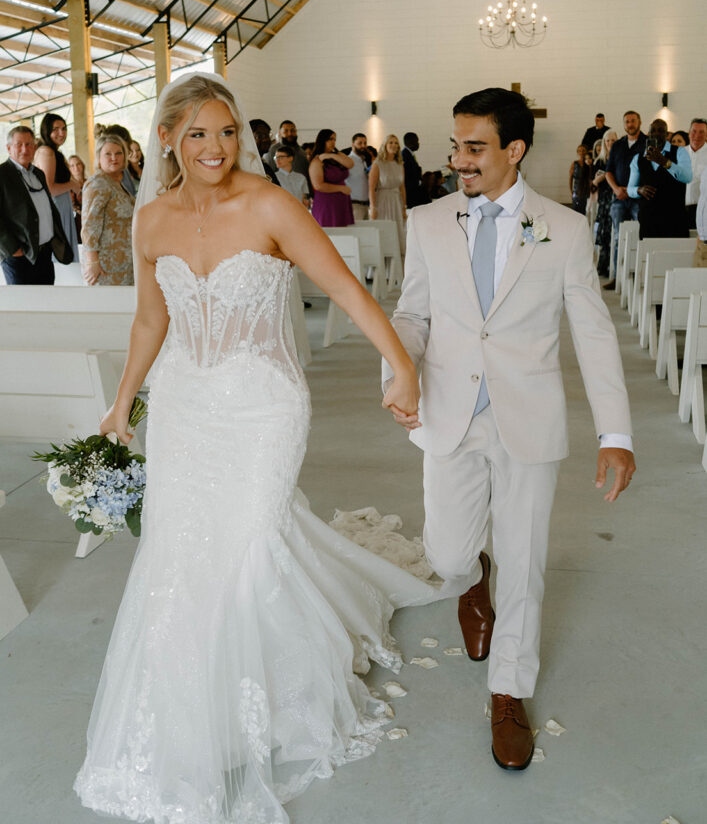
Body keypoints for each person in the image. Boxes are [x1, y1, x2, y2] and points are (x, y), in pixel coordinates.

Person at [74, 72, 437, 824]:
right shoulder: (151, 222)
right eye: (199, 132)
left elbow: (343, 288)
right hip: (184, 406)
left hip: (263, 406)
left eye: (228, 131)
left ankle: (268, 695)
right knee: (179, 556)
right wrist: (121, 404)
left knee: (248, 545)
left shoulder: (270, 204)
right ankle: (185, 711)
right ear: (168, 137)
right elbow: (150, 322)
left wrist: (399, 362)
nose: (216, 147)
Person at [383, 86, 634, 772]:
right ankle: (471, 580)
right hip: (446, 412)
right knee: (448, 551)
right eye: (455, 145)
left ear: (513, 149)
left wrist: (616, 434)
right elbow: (412, 315)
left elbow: (592, 333)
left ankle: (506, 695)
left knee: (525, 564)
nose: (458, 159)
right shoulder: (429, 221)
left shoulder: (564, 228)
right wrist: (396, 373)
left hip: (527, 419)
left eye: (474, 147)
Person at [0, 126, 72, 284]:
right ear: (8, 147)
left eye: (29, 144)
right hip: (20, 256)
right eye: (19, 144)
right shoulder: (2, 174)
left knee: (46, 303)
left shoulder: (38, 174)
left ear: (34, 147)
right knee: (24, 305)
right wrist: (13, 250)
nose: (25, 149)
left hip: (44, 253)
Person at [81, 133, 136, 285]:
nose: (114, 158)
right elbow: (89, 226)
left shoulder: (116, 182)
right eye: (108, 154)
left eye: (119, 153)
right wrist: (93, 262)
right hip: (105, 267)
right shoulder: (98, 183)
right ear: (99, 158)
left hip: (123, 264)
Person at [602, 110, 647, 289]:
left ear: (640, 122)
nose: (630, 124)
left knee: (639, 237)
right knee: (618, 238)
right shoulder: (618, 145)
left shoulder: (647, 143)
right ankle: (618, 277)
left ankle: (638, 277)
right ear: (624, 124)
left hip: (638, 198)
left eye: (633, 121)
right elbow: (608, 171)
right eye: (627, 121)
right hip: (619, 197)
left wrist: (632, 190)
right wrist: (616, 189)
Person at [627, 118, 691, 239]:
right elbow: (630, 188)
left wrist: (665, 162)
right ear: (648, 134)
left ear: (667, 135)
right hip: (648, 219)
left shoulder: (679, 152)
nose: (656, 134)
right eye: (653, 131)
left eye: (661, 131)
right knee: (648, 257)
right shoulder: (638, 158)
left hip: (674, 218)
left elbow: (688, 177)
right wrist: (639, 190)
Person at [34, 112, 80, 262]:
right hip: (56, 207)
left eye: (64, 128)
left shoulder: (53, 152)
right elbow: (50, 189)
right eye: (56, 129)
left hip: (61, 205)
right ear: (46, 131)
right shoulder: (47, 152)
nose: (61, 133)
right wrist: (73, 185)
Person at [369, 135, 407, 253]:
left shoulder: (399, 164)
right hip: (383, 201)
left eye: (396, 143)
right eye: (390, 142)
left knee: (398, 231)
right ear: (385, 145)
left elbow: (402, 187)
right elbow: (371, 187)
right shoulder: (377, 164)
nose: (394, 145)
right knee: (385, 231)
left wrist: (403, 207)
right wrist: (373, 207)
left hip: (396, 201)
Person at [309, 129, 354, 227]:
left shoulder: (337, 155)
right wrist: (341, 188)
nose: (333, 142)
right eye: (330, 139)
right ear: (323, 140)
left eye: (334, 139)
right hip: (327, 201)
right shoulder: (317, 161)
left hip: (342, 200)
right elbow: (318, 185)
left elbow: (350, 164)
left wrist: (331, 156)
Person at [593, 130, 616, 277]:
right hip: (604, 199)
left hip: (616, 198)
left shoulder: (619, 159)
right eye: (607, 141)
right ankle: (603, 266)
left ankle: (612, 266)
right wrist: (601, 179)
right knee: (604, 232)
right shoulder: (600, 162)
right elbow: (593, 183)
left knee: (612, 233)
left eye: (613, 141)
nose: (610, 144)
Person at [684, 118, 707, 230]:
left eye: (701, 132)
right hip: (682, 209)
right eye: (694, 131)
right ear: (689, 133)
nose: (697, 135)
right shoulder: (680, 153)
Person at [344, 132, 371, 220]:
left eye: (365, 143)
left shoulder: (364, 160)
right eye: (360, 143)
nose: (363, 146)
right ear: (353, 144)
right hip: (354, 205)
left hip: (365, 205)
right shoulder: (348, 161)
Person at [402, 132, 423, 208]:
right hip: (410, 193)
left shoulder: (410, 154)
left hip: (414, 192)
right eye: (417, 141)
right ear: (411, 142)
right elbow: (407, 176)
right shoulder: (405, 155)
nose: (418, 144)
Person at [569, 144, 591, 214]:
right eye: (579, 151)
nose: (581, 152)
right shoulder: (574, 163)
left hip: (586, 190)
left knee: (585, 209)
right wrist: (571, 191)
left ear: (586, 152)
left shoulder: (589, 163)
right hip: (576, 190)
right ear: (577, 152)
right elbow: (570, 178)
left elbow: (590, 177)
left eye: (583, 150)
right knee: (575, 209)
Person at [68, 154, 86, 235]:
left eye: (78, 164)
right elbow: (72, 206)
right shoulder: (68, 186)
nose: (76, 167)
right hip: (78, 222)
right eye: (72, 165)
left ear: (82, 165)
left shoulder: (90, 182)